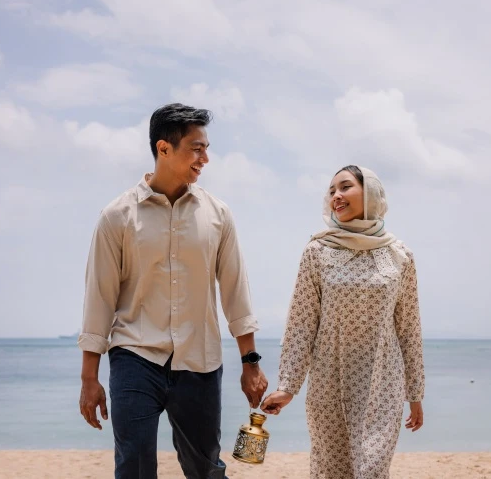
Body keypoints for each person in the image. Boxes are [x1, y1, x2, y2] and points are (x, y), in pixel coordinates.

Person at [77, 103, 268, 479]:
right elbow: (99, 297)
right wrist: (89, 378)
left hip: (200, 360)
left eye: (206, 148)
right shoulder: (117, 216)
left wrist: (251, 363)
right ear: (164, 148)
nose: (206, 159)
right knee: (133, 466)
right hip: (135, 356)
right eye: (197, 148)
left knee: (205, 469)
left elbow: (235, 291)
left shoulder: (218, 215)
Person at [260, 165, 425, 478]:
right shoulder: (318, 252)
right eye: (332, 190)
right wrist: (287, 387)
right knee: (332, 471)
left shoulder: (400, 255)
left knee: (371, 470)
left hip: (382, 384)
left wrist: (414, 394)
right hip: (328, 385)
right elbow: (301, 324)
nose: (336, 196)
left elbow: (409, 329)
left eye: (345, 187)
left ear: (371, 193)